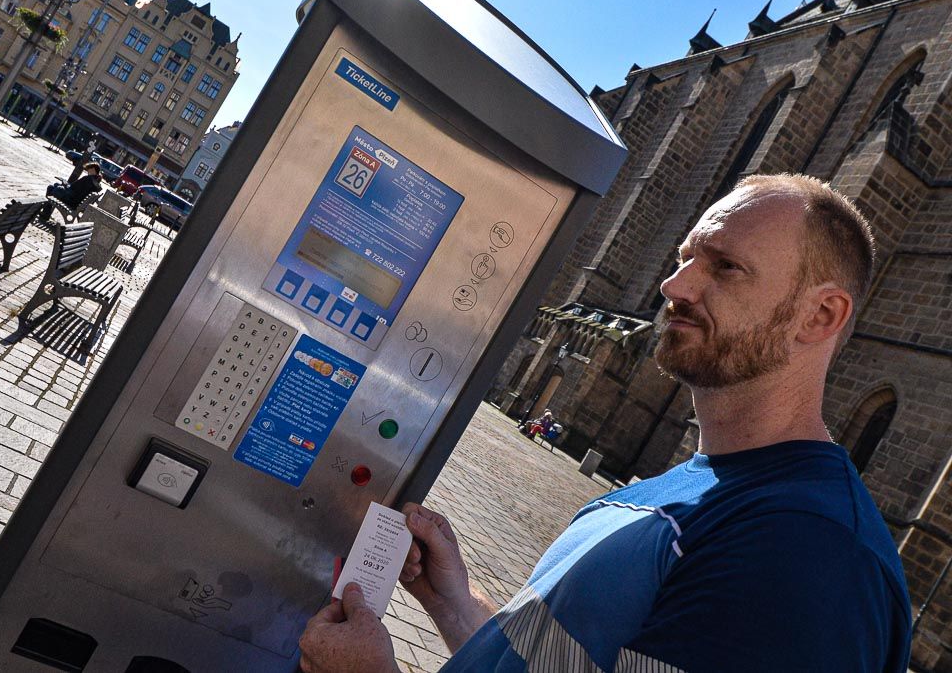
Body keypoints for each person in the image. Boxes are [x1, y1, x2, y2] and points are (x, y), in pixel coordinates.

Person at [299, 174, 912, 672]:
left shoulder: (814, 552)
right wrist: (455, 604)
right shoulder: (689, 488)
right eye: (684, 257)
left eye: (724, 266)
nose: (675, 284)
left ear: (820, 315)